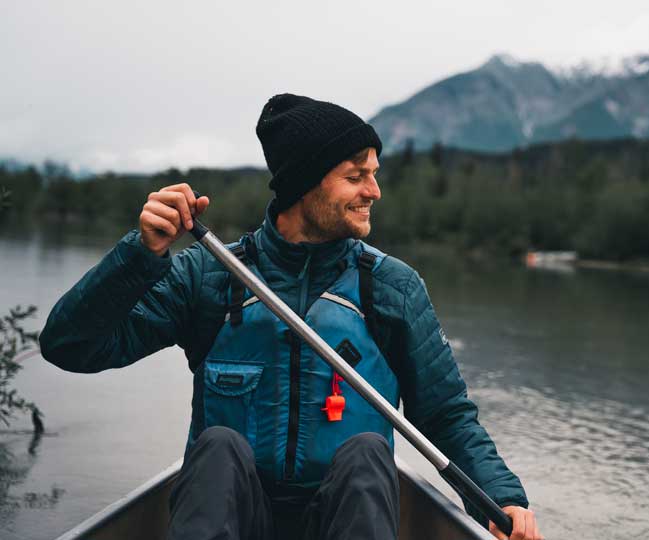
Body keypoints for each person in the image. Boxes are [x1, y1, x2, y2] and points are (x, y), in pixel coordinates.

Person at [39, 94, 542, 540]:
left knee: (369, 453)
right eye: (356, 176)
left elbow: (445, 414)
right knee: (217, 450)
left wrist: (501, 498)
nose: (374, 191)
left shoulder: (392, 288)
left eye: (374, 175)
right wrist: (139, 255)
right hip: (233, 517)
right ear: (306, 184)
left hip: (342, 520)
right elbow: (70, 346)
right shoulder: (209, 277)